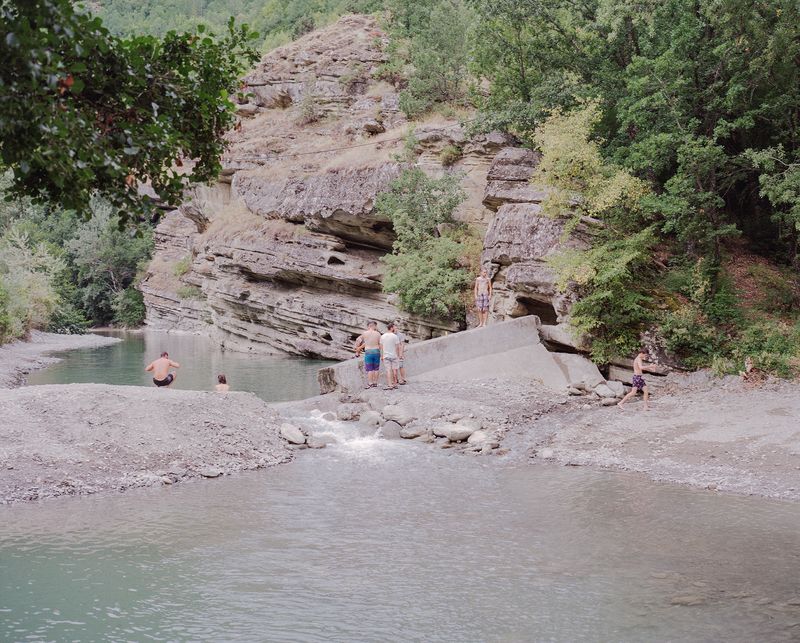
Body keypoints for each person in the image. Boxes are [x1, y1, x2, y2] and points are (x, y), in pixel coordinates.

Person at [355, 321, 382, 389]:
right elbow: (380, 344)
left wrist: (358, 349)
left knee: (370, 369)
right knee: (376, 369)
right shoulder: (378, 334)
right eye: (376, 326)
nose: (376, 327)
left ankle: (370, 383)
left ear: (369, 326)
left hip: (368, 352)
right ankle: (375, 383)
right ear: (373, 326)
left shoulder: (364, 333)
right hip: (376, 351)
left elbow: (358, 340)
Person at [380, 322, 401, 390]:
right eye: (394, 327)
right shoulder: (395, 336)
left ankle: (390, 384)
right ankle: (395, 384)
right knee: (394, 369)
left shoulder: (382, 336)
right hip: (394, 355)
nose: (394, 328)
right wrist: (397, 355)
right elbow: (397, 347)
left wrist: (382, 356)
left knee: (388, 370)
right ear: (391, 328)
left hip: (386, 356)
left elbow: (381, 347)